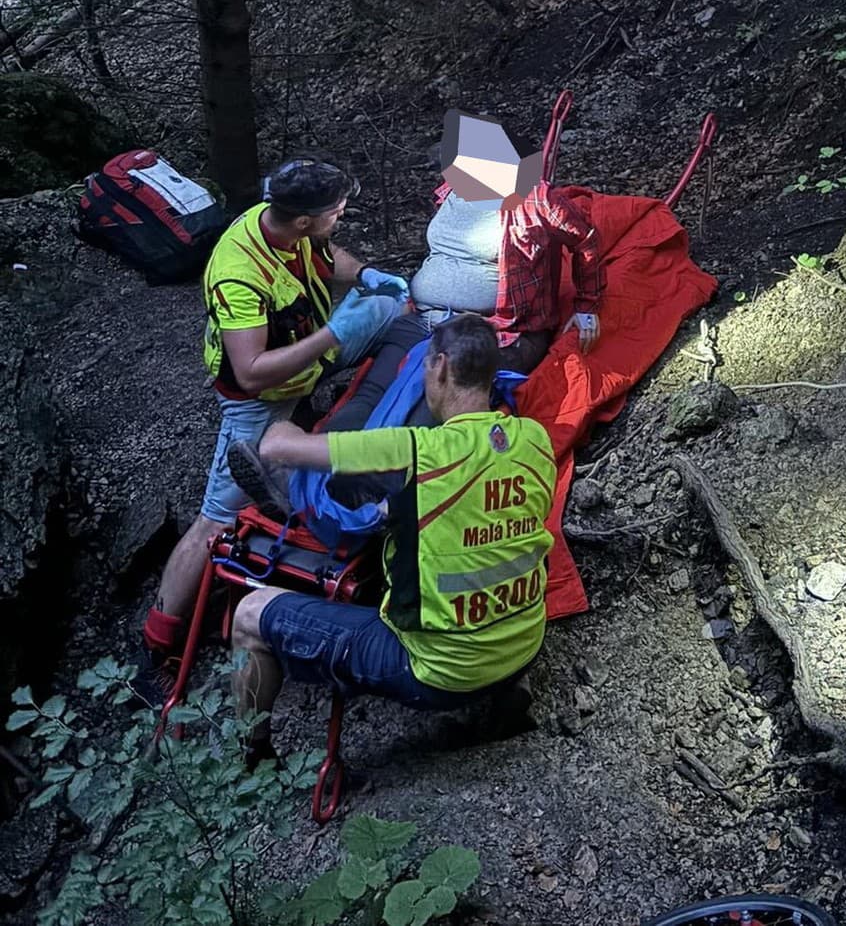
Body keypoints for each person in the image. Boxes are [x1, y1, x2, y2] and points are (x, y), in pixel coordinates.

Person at [133, 158, 411, 703]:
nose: (342, 213)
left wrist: (366, 279)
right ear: (303, 219)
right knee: (214, 523)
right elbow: (251, 371)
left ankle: (330, 425)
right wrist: (334, 333)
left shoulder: (290, 226)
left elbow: (332, 260)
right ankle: (158, 646)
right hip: (265, 393)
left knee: (399, 315)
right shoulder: (239, 271)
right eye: (335, 210)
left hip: (308, 357)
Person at [226, 314, 557, 766]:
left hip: (439, 672)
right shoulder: (535, 439)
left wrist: (285, 428)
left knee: (248, 615)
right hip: (524, 643)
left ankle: (253, 756)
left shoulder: (415, 450)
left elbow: (277, 449)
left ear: (439, 367)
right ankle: (506, 688)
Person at [409, 110, 607, 374]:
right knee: (381, 371)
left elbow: (585, 239)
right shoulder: (453, 188)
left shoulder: (535, 197)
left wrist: (587, 306)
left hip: (501, 332)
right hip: (428, 317)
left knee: (442, 379)